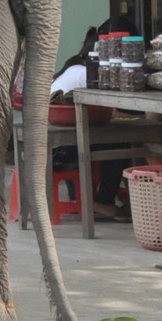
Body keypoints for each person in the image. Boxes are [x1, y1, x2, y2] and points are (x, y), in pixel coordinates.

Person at [45, 16, 138, 221]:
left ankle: (83, 196)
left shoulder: (75, 65)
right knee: (119, 143)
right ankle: (103, 202)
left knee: (109, 138)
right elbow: (112, 109)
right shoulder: (87, 74)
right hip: (61, 149)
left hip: (57, 140)